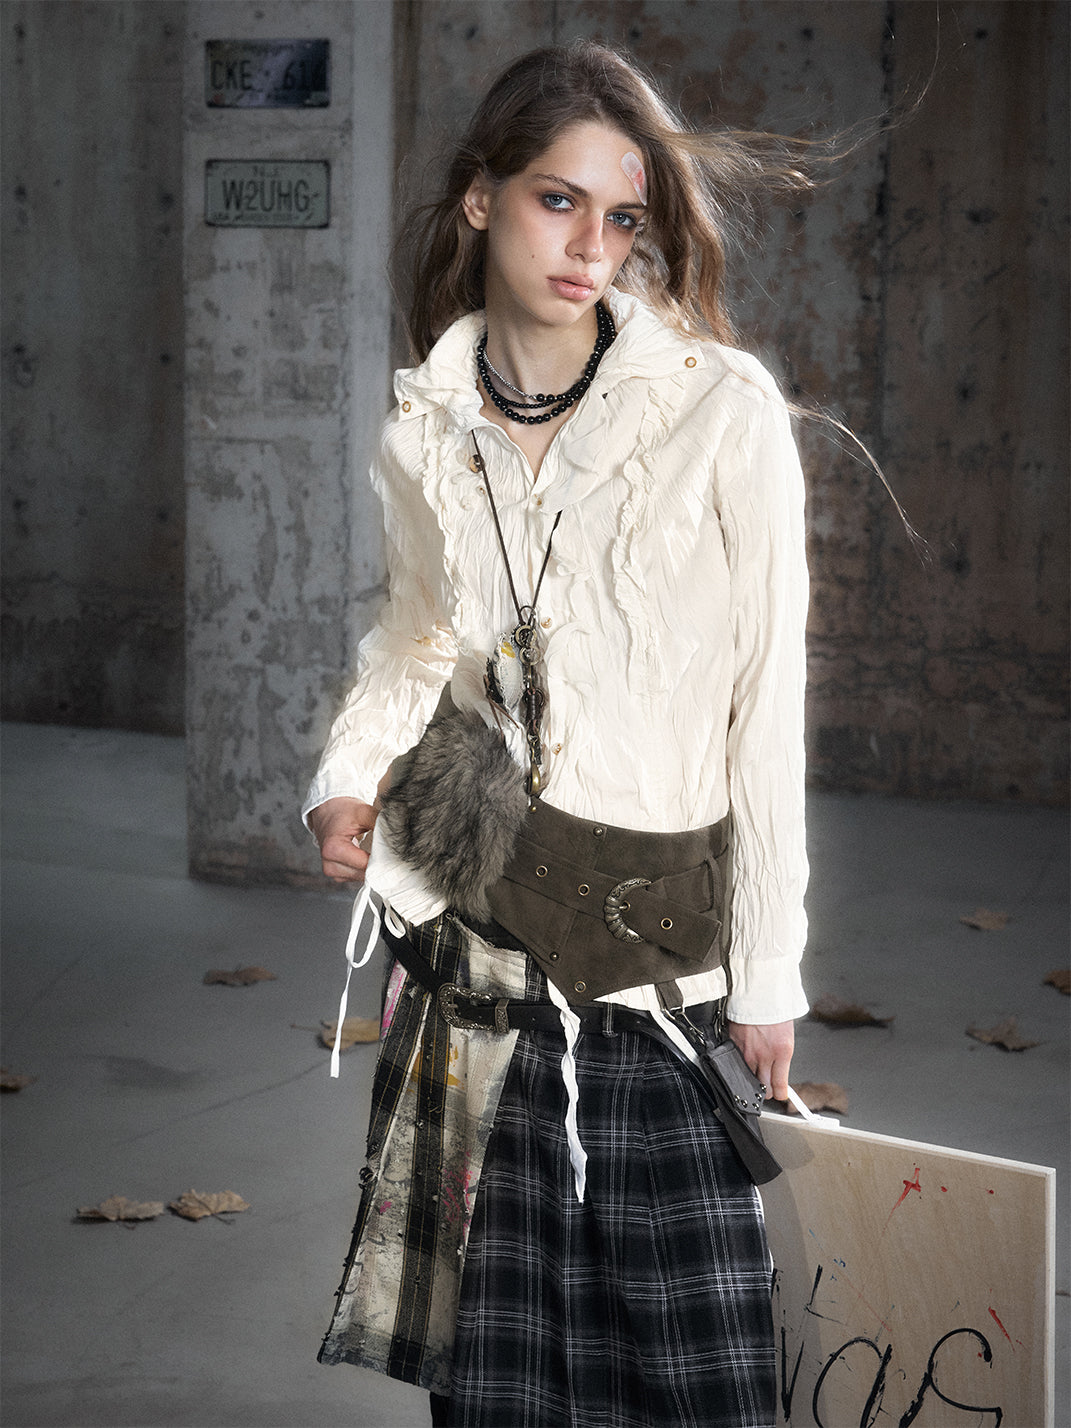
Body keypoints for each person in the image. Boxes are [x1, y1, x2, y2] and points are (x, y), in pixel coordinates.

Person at [305, 40, 812, 1428]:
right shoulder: (426, 426)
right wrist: (346, 781)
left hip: (659, 973)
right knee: (499, 1393)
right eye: (558, 201)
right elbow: (415, 640)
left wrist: (768, 972)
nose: (593, 247)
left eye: (622, 216)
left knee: (705, 1386)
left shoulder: (721, 413)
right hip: (476, 967)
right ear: (482, 200)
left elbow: (765, 708)